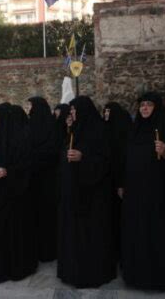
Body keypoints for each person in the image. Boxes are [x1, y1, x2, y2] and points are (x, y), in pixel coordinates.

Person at [121, 92, 165, 290]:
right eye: (142, 104)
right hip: (137, 194)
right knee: (140, 234)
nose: (144, 108)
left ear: (156, 107)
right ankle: (138, 275)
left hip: (161, 194)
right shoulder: (135, 129)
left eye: (149, 105)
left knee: (158, 235)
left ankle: (160, 277)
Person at [57, 96, 115, 288]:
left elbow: (105, 160)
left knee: (92, 235)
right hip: (75, 192)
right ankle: (73, 270)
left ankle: (92, 272)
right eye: (71, 110)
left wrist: (84, 157)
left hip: (94, 195)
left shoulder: (100, 130)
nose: (72, 113)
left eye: (74, 110)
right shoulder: (75, 129)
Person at [0, 103, 37, 283]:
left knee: (10, 233)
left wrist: (7, 171)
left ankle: (12, 267)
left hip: (11, 196)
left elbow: (25, 166)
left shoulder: (16, 141)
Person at [27, 97, 58, 262]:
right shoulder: (31, 125)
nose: (29, 109)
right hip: (33, 180)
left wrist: (33, 157)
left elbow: (51, 151)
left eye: (31, 106)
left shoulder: (49, 126)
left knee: (47, 216)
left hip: (47, 179)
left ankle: (48, 251)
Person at [103, 102, 132, 262]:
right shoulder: (103, 129)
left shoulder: (122, 129)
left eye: (109, 111)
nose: (106, 113)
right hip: (106, 180)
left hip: (119, 179)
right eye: (105, 110)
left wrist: (121, 182)